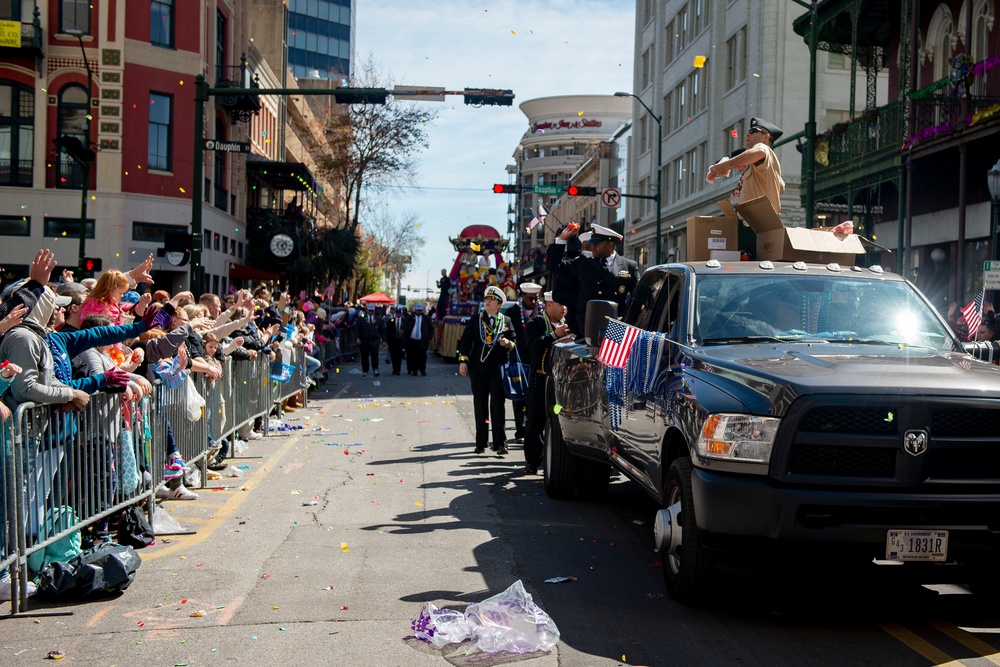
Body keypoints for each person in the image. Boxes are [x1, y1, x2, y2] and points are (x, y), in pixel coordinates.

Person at [458, 286, 516, 456]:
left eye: (491, 300)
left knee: (498, 405)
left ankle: (500, 443)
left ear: (499, 304)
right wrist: (463, 361)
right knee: (480, 405)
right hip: (478, 369)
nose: (488, 302)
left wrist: (507, 344)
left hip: (498, 369)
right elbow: (466, 342)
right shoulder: (476, 319)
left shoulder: (506, 320)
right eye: (486, 300)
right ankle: (481, 442)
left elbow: (514, 342)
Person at [553, 224, 640, 336]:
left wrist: (628, 318)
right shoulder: (584, 261)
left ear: (610, 244)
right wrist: (562, 240)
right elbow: (556, 267)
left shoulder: (629, 266)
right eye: (592, 243)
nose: (592, 246)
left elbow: (639, 298)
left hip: (617, 327)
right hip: (588, 326)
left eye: (597, 243)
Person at [522, 291, 571, 474]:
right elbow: (533, 346)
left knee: (556, 415)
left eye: (566, 304)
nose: (564, 308)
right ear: (549, 305)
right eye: (560, 304)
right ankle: (533, 460)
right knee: (535, 420)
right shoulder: (536, 323)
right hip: (540, 381)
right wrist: (553, 336)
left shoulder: (569, 325)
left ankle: (554, 458)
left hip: (561, 385)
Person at [706, 117, 785, 214]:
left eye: (753, 131)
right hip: (752, 221)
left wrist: (727, 165)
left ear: (765, 138)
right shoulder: (762, 166)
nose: (748, 134)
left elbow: (759, 152)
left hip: (759, 223)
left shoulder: (764, 148)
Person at [505, 282, 542, 443]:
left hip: (536, 357)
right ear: (522, 296)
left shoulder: (541, 311)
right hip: (518, 356)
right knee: (519, 395)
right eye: (529, 299)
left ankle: (532, 429)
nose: (533, 302)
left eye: (535, 299)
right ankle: (520, 430)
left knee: (533, 396)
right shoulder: (512, 311)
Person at [355, 303, 385, 377]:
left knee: (375, 354)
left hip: (375, 339)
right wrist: (357, 338)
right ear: (367, 310)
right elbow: (357, 329)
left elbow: (382, 330)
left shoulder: (378, 319)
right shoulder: (361, 318)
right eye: (369, 310)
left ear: (374, 311)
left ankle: (375, 369)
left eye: (372, 311)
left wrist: (384, 340)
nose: (371, 312)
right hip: (364, 339)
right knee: (364, 355)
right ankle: (365, 370)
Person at [404, 303, 432, 376]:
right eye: (417, 310)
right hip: (412, 340)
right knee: (413, 356)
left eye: (420, 310)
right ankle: (414, 370)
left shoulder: (426, 318)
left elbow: (431, 328)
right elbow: (406, 328)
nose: (419, 312)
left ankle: (422, 369)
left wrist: (429, 337)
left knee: (423, 356)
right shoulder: (410, 318)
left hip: (422, 340)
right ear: (415, 310)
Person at [384, 304, 406, 376]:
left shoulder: (404, 321)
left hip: (400, 341)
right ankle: (394, 369)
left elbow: (407, 330)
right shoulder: (391, 321)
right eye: (397, 313)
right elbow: (388, 331)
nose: (398, 314)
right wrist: (387, 340)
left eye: (399, 313)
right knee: (393, 355)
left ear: (401, 314)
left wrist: (403, 331)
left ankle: (398, 370)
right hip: (392, 341)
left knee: (398, 356)